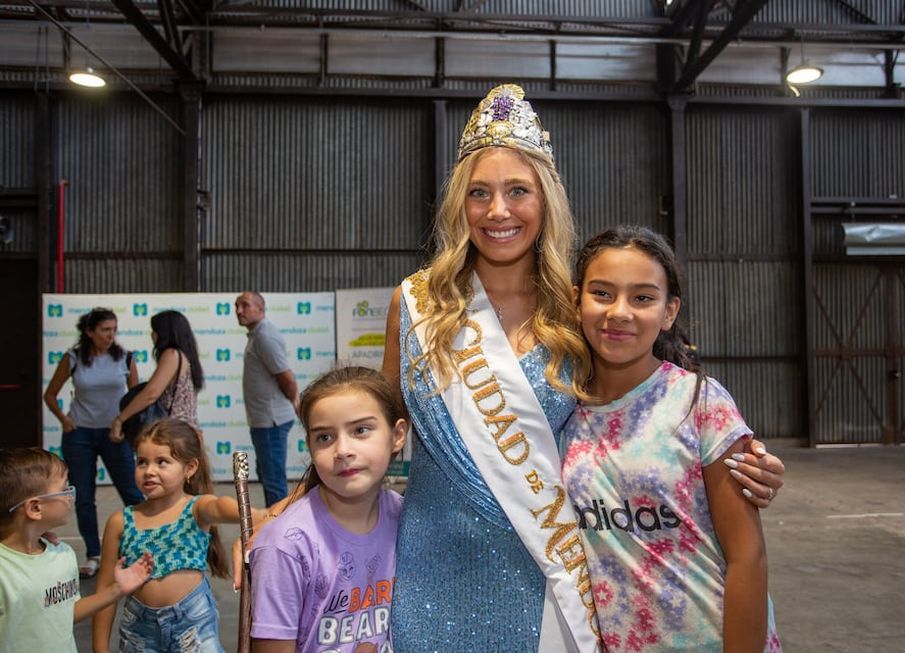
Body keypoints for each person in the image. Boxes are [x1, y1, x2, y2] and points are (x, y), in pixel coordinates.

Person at [381, 84, 786, 652]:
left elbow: (639, 405)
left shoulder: (575, 315)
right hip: (429, 569)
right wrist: (310, 501)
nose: (498, 211)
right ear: (459, 205)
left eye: (518, 191)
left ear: (545, 201)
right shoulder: (415, 305)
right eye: (479, 193)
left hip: (545, 574)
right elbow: (379, 433)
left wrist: (741, 460)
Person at [561, 225, 782, 652]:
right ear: (576, 301)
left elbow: (747, 556)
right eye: (602, 293)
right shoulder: (560, 411)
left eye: (642, 298)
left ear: (669, 311)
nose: (619, 312)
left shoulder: (699, 402)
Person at [249, 366, 406, 652]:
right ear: (309, 446)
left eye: (361, 430)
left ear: (397, 435)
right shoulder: (285, 546)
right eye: (324, 437)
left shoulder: (404, 518)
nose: (342, 450)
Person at [92, 418, 262, 652]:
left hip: (193, 627)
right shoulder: (120, 522)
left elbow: (219, 506)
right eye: (141, 462)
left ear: (190, 468)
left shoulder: (197, 509)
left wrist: (255, 514)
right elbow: (105, 591)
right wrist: (99, 649)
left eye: (162, 462)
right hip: (139, 633)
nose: (149, 471)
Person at [0, 447, 153, 653]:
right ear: (35, 508)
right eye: (64, 489)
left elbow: (65, 613)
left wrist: (117, 590)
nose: (70, 496)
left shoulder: (63, 554)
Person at [43, 307, 144, 577]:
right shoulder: (73, 358)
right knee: (84, 498)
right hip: (80, 435)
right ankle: (94, 554)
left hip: (115, 435)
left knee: (132, 494)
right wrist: (65, 420)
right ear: (89, 331)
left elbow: (136, 399)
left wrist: (124, 426)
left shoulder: (125, 358)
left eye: (114, 329)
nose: (111, 335)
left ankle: (140, 548)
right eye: (105, 330)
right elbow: (50, 394)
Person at [236, 291, 300, 507]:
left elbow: (286, 377)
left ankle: (278, 525)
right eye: (237, 306)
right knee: (267, 475)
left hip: (271, 422)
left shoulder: (265, 336)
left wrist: (295, 401)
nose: (239, 311)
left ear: (260, 309)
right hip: (263, 421)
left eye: (245, 305)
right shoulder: (257, 335)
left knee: (273, 482)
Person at [110, 309, 203, 443]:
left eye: (154, 331)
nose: (152, 335)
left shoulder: (172, 354)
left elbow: (151, 394)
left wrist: (120, 419)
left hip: (174, 433)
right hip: (186, 431)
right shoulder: (185, 355)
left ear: (163, 333)